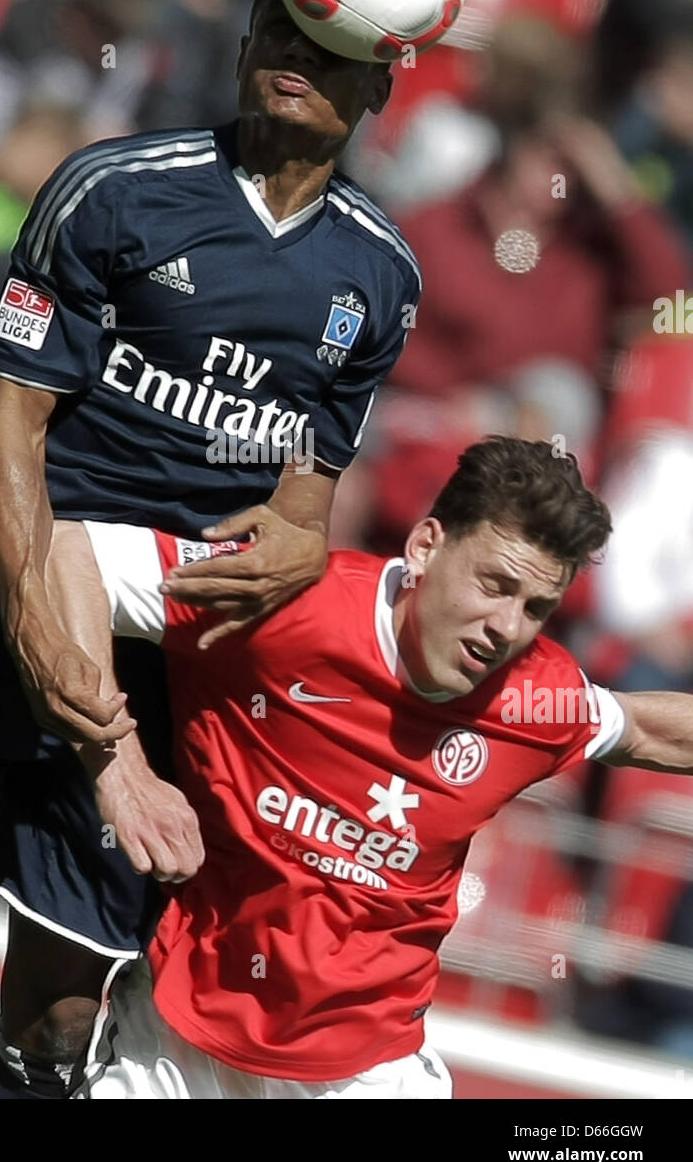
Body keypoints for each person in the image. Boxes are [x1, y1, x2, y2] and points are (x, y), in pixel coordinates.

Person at [0, 0, 421, 1102]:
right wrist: (38, 629)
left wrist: (300, 540)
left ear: (381, 83)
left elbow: (306, 494)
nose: (295, 54)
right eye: (283, 27)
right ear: (247, 32)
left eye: (333, 46)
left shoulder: (379, 276)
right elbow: (10, 418)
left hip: (155, 656)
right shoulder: (110, 191)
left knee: (56, 1019)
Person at [42, 437, 693, 1099]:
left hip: (368, 1073)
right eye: (495, 584)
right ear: (425, 546)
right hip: (180, 1043)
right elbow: (69, 554)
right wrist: (120, 770)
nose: (506, 627)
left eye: (536, 609)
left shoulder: (532, 694)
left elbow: (645, 727)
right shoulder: (286, 604)